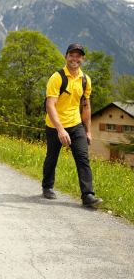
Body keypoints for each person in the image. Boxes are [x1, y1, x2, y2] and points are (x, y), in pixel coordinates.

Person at [42, 43, 103, 207]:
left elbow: (86, 106)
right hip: (55, 125)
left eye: (78, 55)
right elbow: (50, 105)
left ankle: (88, 195)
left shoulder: (85, 80)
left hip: (75, 125)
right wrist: (60, 129)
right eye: (71, 55)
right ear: (66, 57)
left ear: (83, 59)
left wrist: (88, 130)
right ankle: (47, 186)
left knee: (83, 158)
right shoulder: (57, 77)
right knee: (52, 157)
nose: (74, 58)